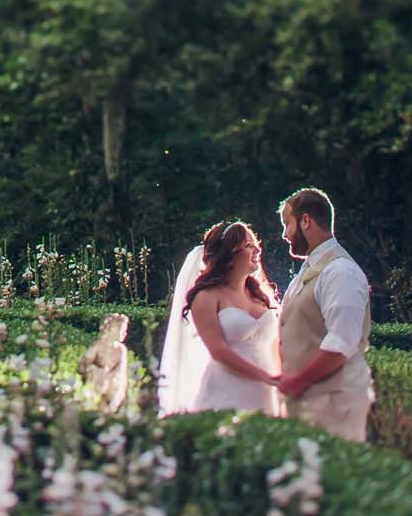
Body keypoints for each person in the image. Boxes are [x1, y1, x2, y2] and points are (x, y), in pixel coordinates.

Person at [273, 187, 374, 441]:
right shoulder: (308, 270)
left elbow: (340, 343)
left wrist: (298, 382)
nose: (284, 234)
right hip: (310, 403)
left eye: (287, 224)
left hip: (334, 404)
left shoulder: (340, 271)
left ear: (305, 220)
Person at [157, 220, 283, 417]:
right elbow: (218, 350)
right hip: (228, 390)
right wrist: (265, 377)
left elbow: (276, 344)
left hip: (267, 392)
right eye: (248, 245)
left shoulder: (262, 297)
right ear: (229, 255)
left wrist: (283, 380)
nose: (257, 250)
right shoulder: (206, 297)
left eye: (255, 244)